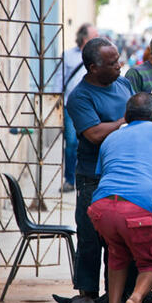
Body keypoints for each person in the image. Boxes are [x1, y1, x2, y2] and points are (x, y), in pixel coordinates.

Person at [87, 92, 152, 303]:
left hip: (101, 209)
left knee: (117, 257)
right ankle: (135, 300)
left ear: (125, 116)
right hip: (137, 209)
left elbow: (103, 174)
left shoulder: (111, 138)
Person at [66, 37, 133, 299]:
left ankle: (116, 299)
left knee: (119, 241)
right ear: (93, 68)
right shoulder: (80, 97)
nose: (119, 65)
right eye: (112, 62)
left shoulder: (124, 84)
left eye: (118, 59)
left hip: (123, 175)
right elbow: (94, 133)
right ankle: (88, 299)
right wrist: (125, 121)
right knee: (91, 241)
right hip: (93, 177)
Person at [54, 23, 99, 192]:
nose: (98, 39)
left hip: (92, 106)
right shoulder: (68, 56)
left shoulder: (97, 57)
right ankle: (70, 179)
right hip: (69, 106)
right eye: (95, 36)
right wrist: (55, 101)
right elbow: (59, 79)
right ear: (85, 39)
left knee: (89, 142)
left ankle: (86, 177)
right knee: (72, 143)